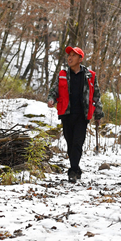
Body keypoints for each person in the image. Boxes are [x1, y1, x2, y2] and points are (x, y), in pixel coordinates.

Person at [47, 46, 104, 183]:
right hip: (66, 114)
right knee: (70, 142)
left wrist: (98, 114)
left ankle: (72, 171)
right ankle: (76, 168)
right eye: (69, 55)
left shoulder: (90, 75)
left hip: (82, 115)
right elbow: (54, 90)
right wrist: (51, 99)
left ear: (80, 59)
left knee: (78, 143)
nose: (70, 58)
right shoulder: (62, 74)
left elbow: (96, 95)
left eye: (73, 55)